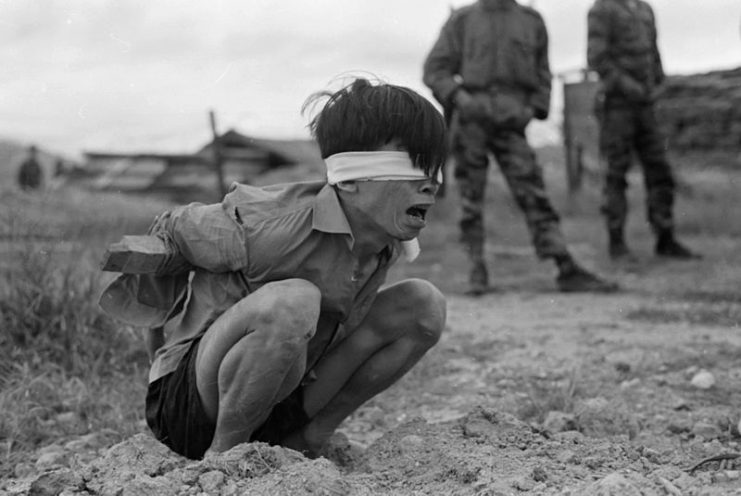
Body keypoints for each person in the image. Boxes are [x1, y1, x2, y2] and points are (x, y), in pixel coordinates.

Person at [98, 78, 448, 460]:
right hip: (190, 408)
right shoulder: (266, 225)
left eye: (432, 166)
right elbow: (173, 227)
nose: (431, 184)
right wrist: (158, 347)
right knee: (295, 301)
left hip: (282, 400)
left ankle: (310, 437)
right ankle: (225, 461)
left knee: (423, 303)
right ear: (351, 179)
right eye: (410, 164)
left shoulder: (385, 241)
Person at [423, 0, 617, 295]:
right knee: (470, 198)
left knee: (534, 193)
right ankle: (474, 269)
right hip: (472, 120)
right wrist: (461, 99)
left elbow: (543, 73)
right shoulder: (463, 20)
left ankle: (564, 266)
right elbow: (435, 70)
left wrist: (532, 110)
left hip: (512, 120)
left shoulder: (531, 21)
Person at [587, 0, 699, 260]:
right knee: (616, 173)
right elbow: (597, 58)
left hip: (646, 105)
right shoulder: (602, 9)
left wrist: (658, 82)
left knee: (660, 170)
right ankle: (617, 243)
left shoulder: (644, 9)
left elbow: (653, 52)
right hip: (617, 105)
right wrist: (627, 86)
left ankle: (666, 239)